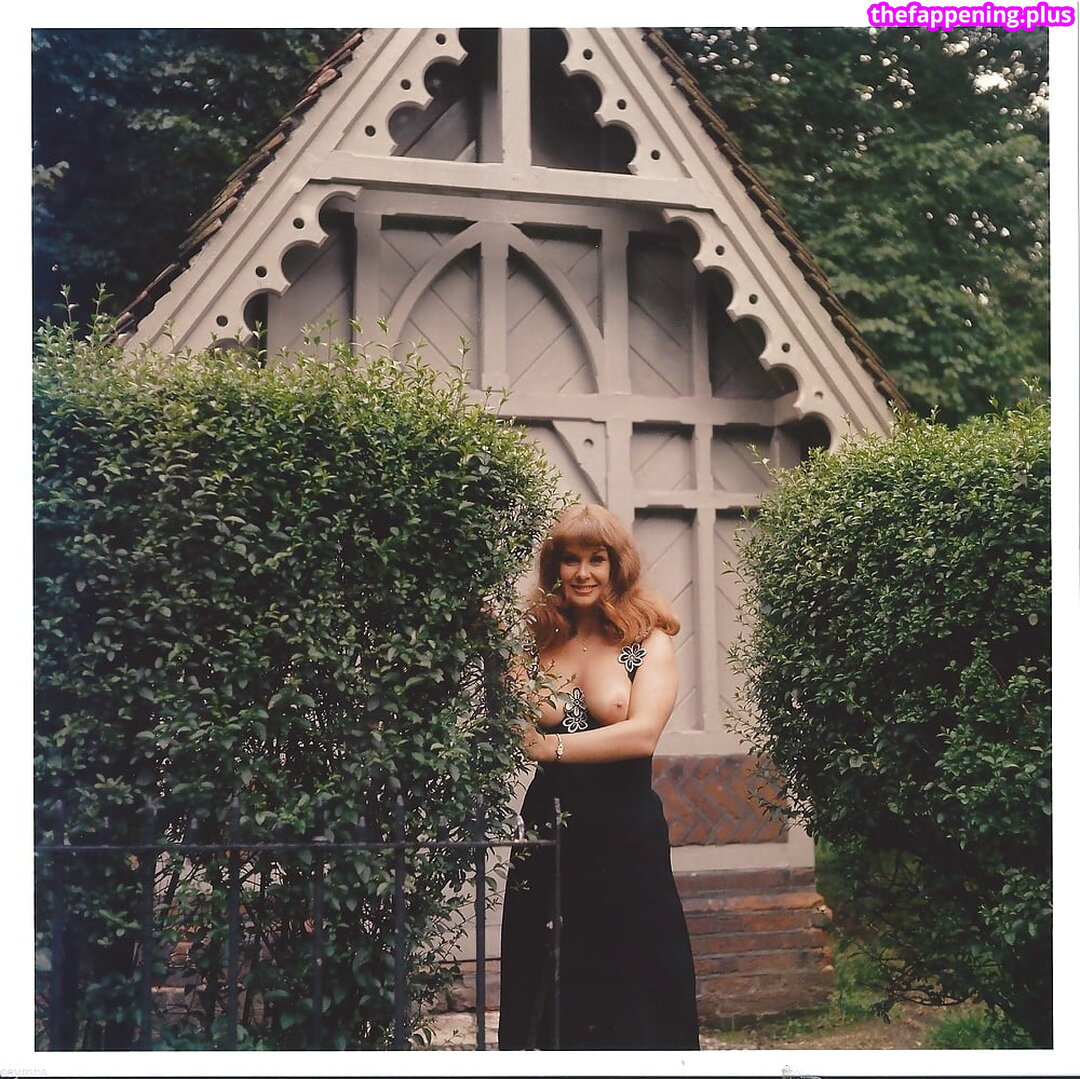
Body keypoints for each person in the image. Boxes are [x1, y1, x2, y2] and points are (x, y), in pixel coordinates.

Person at [497, 503, 700, 1051]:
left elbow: (642, 734)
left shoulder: (647, 639)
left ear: (617, 566)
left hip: (624, 824)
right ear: (554, 567)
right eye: (571, 560)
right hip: (549, 822)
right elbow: (517, 724)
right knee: (542, 960)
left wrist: (552, 746)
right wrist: (498, 647)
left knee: (634, 963)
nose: (583, 573)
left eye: (597, 559)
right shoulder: (538, 641)